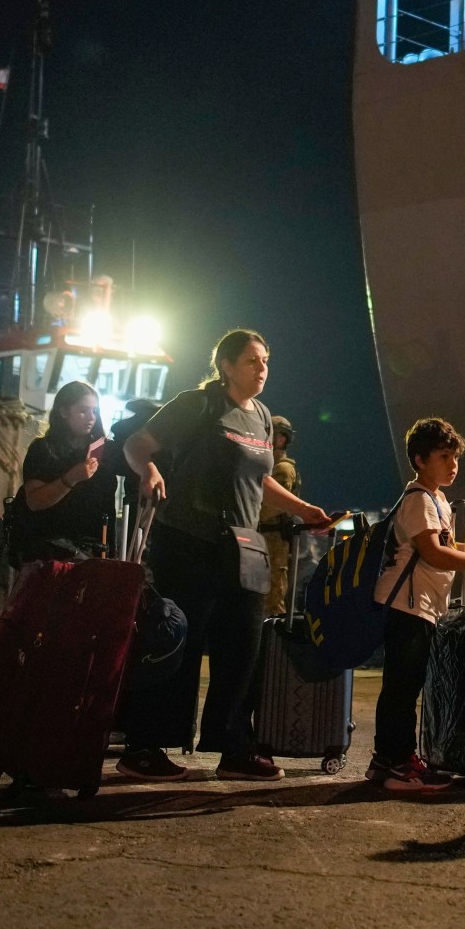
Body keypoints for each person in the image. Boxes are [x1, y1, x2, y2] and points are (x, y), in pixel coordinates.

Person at [115, 328, 331, 783]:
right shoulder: (198, 405)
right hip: (189, 543)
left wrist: (303, 510)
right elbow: (136, 445)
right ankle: (144, 747)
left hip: (243, 547)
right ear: (227, 365)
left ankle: (233, 748)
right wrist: (150, 471)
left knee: (242, 649)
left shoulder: (263, 417)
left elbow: (259, 479)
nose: (262, 369)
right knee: (180, 646)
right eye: (252, 361)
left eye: (266, 361)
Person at [366, 418, 465, 793]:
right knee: (403, 688)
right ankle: (398, 765)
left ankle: (386, 761)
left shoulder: (437, 499)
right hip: (408, 605)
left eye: (455, 457)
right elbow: (433, 553)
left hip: (423, 605)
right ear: (420, 459)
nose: (452, 464)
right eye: (443, 456)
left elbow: (444, 545)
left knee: (405, 685)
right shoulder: (419, 499)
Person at [7, 381, 116, 564]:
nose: (91, 417)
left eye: (94, 411)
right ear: (64, 412)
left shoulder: (103, 449)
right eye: (83, 411)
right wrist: (70, 479)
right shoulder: (43, 449)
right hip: (49, 548)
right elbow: (34, 501)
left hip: (95, 548)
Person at [264, 415, 303, 611]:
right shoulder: (268, 466)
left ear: (281, 439)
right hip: (264, 540)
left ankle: (273, 641)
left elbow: (272, 506)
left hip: (273, 543)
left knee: (272, 600)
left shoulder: (283, 469)